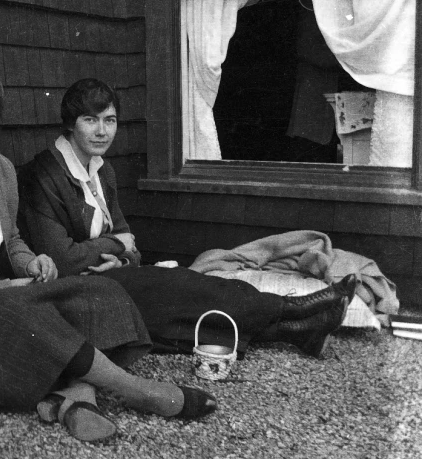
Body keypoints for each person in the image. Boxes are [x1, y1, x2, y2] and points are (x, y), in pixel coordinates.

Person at [0, 58, 217, 444]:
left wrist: (29, 261)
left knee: (96, 292)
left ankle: (77, 397)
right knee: (18, 308)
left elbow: (12, 239)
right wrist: (5, 288)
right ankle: (136, 389)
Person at [18, 78, 356, 361]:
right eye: (90, 120)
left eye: (110, 120)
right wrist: (115, 245)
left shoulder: (101, 169)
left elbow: (130, 244)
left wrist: (121, 255)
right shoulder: (43, 174)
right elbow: (61, 258)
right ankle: (293, 309)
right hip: (69, 290)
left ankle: (295, 330)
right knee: (179, 286)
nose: (102, 131)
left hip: (111, 275)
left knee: (183, 302)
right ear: (69, 123)